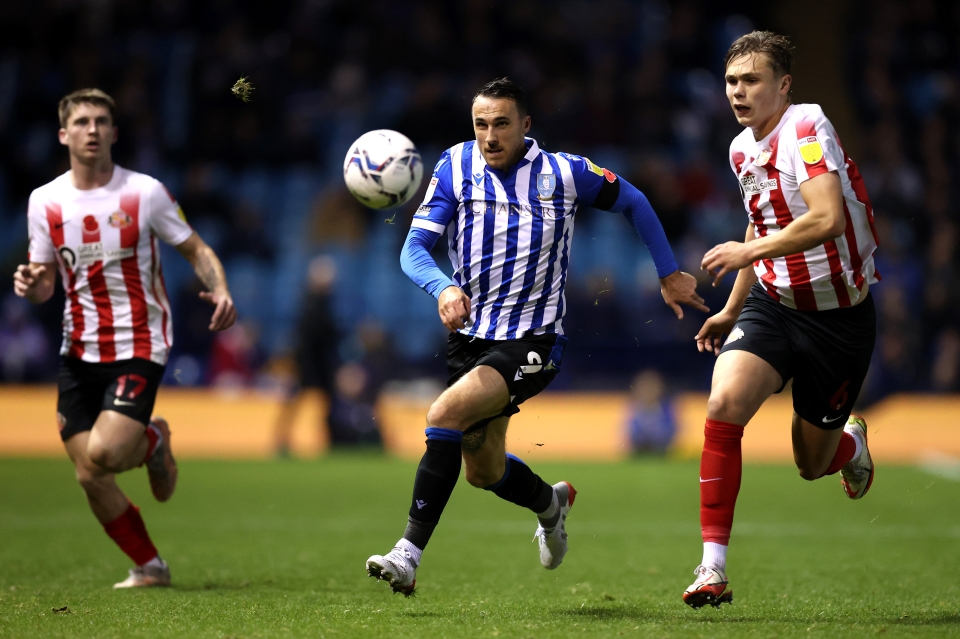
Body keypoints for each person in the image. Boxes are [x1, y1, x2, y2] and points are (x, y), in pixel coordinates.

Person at [365, 77, 708, 596]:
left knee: (442, 415)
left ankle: (407, 555)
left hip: (536, 342)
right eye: (481, 124)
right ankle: (552, 503)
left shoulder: (564, 173)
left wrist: (667, 273)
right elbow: (413, 250)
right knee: (482, 470)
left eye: (502, 123)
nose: (490, 136)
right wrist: (442, 287)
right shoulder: (454, 167)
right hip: (472, 340)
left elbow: (635, 200)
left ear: (526, 125)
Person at [682, 32, 879, 609]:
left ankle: (850, 446)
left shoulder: (807, 129)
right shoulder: (742, 149)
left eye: (752, 80)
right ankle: (712, 568)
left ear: (783, 85)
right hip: (775, 304)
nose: (738, 92)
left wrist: (748, 254)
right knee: (723, 405)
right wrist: (731, 309)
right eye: (731, 82)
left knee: (809, 464)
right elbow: (759, 224)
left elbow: (826, 218)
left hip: (839, 320)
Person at [13, 88, 236, 589]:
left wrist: (219, 287)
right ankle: (150, 566)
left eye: (101, 122)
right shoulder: (44, 201)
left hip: (140, 341)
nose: (92, 129)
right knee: (88, 473)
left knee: (107, 456)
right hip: (79, 348)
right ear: (63, 134)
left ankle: (151, 436)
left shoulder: (144, 193)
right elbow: (46, 282)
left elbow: (195, 247)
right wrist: (31, 283)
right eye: (82, 122)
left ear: (114, 133)